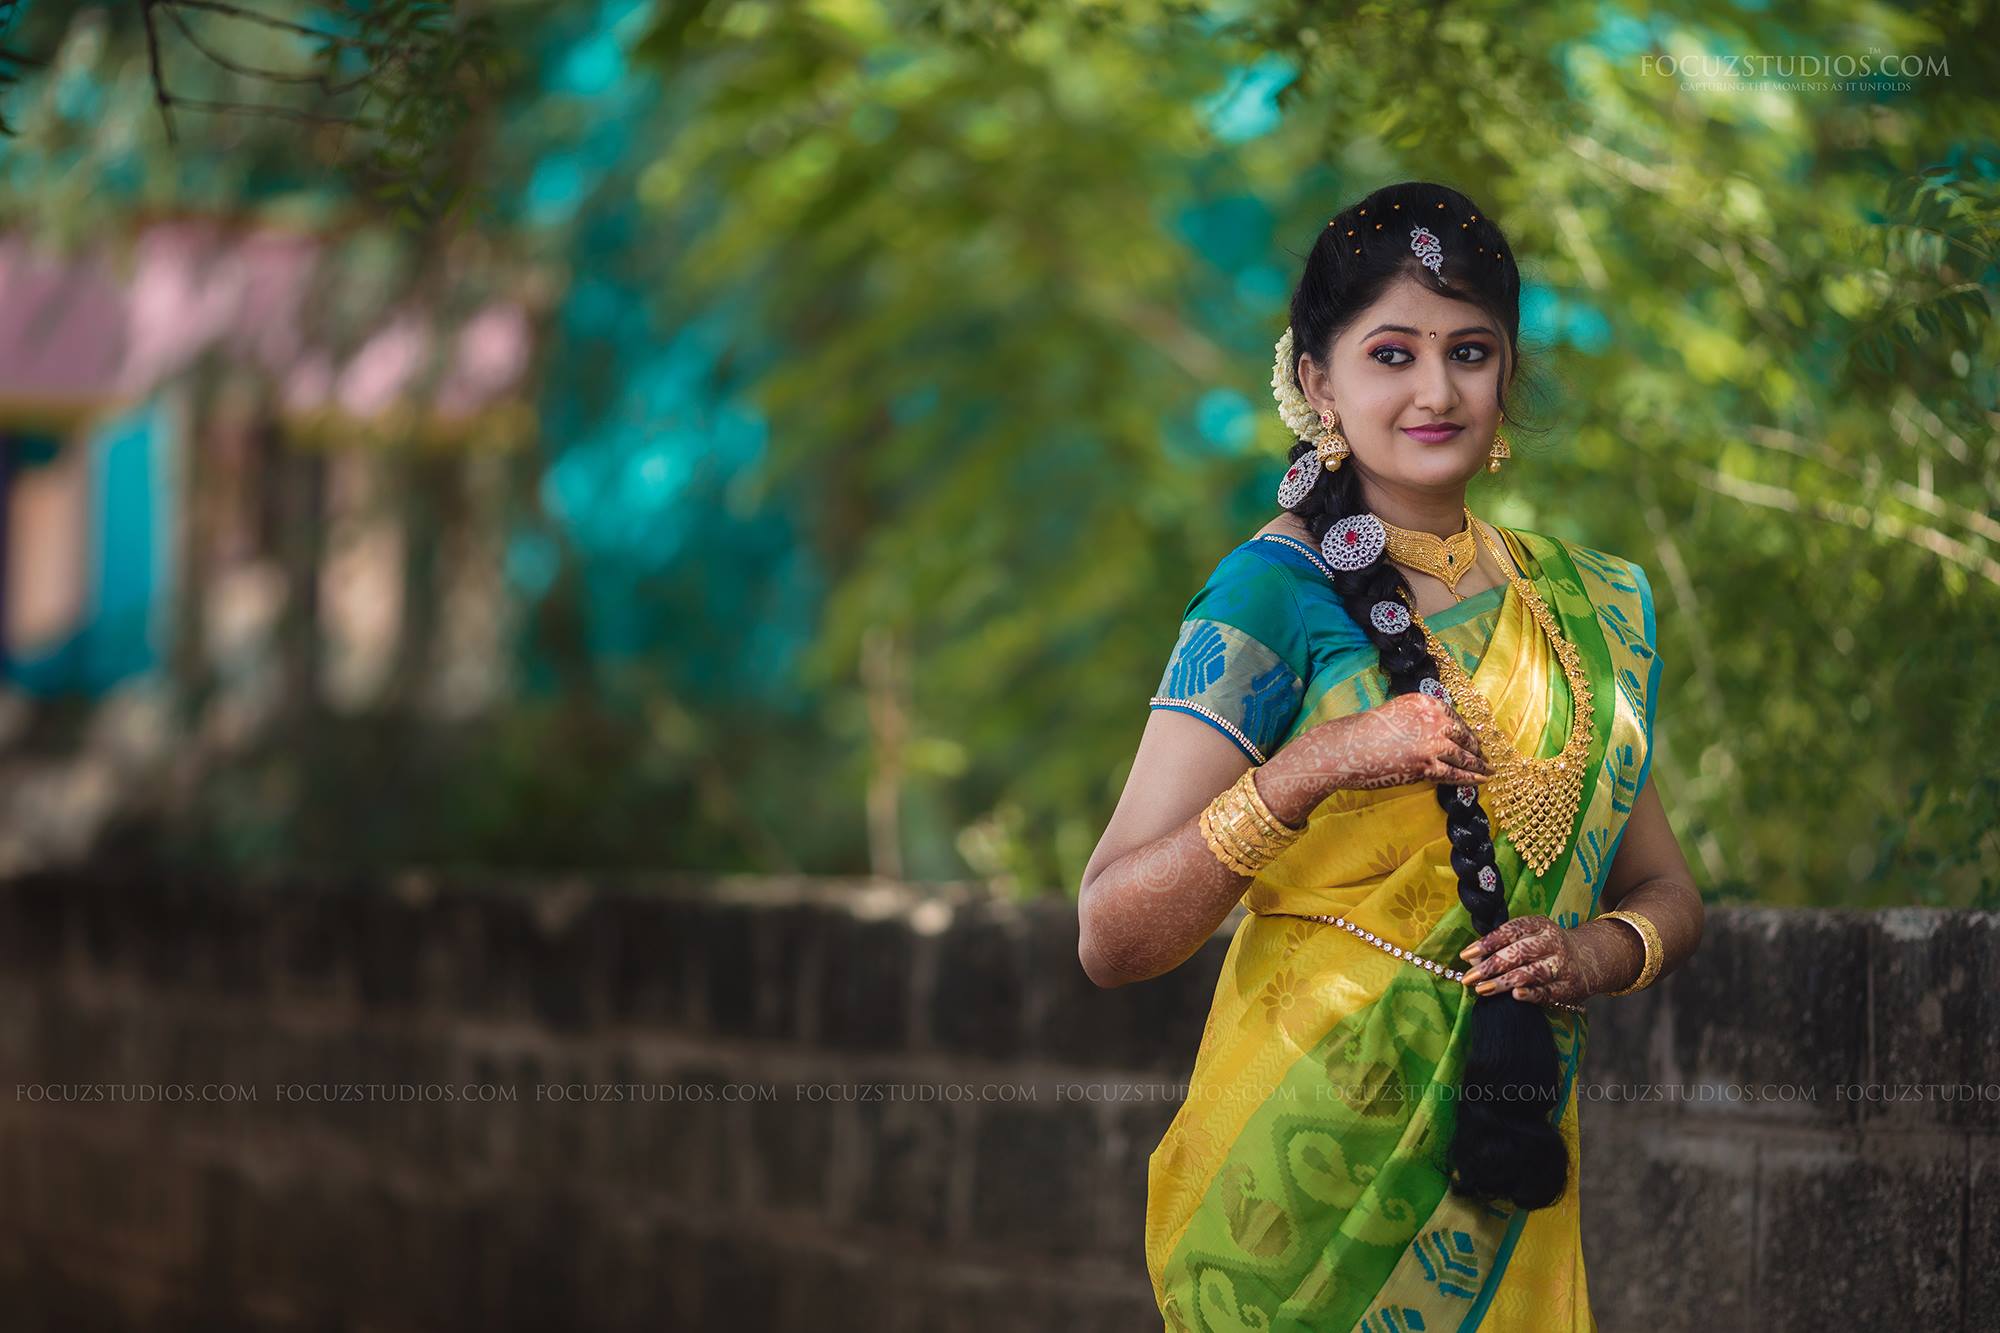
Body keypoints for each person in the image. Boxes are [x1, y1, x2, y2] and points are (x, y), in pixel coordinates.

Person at [1076, 180, 1706, 1331]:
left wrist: (1591, 956)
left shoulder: (1579, 607)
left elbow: (1663, 890)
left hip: (1501, 1158)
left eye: (1468, 350)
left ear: (1507, 372)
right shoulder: (1267, 594)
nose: (1434, 389)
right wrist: (1313, 764)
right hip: (1289, 1194)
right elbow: (1111, 933)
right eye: (1391, 352)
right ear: (1317, 381)